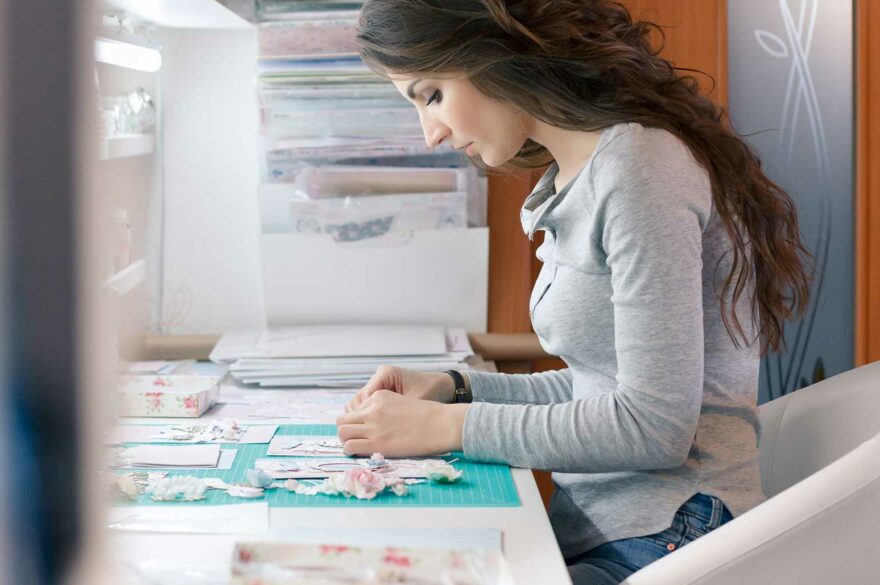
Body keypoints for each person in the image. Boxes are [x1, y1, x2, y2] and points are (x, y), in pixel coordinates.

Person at [335, 1, 812, 583]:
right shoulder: (579, 176)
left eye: (430, 94)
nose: (431, 133)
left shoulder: (641, 169)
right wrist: (455, 390)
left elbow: (653, 428)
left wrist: (446, 428)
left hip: (672, 537)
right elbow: (601, 381)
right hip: (620, 532)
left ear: (490, 49)